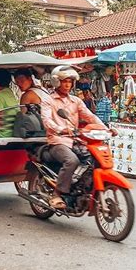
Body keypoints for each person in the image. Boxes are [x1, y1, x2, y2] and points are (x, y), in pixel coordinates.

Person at [41, 66, 109, 210]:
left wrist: (106, 128)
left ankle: (82, 189)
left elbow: (90, 116)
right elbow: (47, 121)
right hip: (57, 141)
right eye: (64, 81)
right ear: (56, 82)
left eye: (70, 82)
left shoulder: (76, 101)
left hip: (76, 141)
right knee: (72, 160)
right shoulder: (48, 100)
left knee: (93, 158)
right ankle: (57, 194)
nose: (67, 84)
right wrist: (62, 129)